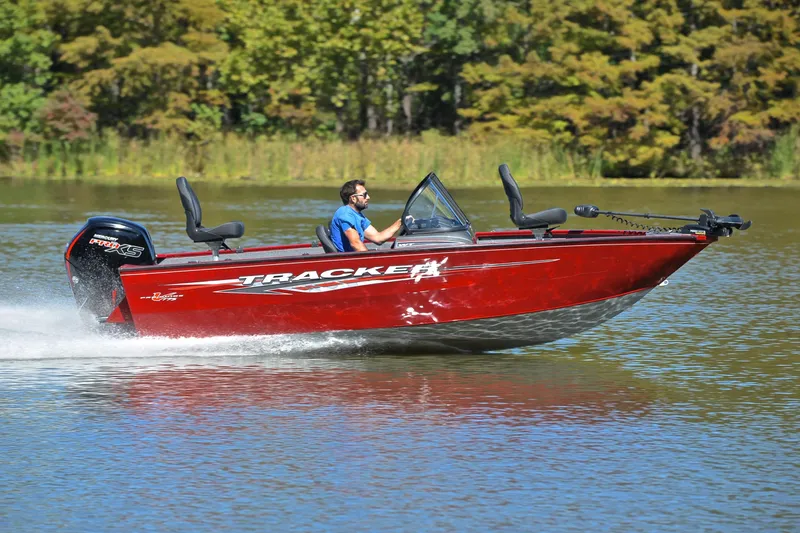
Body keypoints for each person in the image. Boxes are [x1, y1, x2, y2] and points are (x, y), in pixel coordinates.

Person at [329, 179, 402, 252]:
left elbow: (378, 238)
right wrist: (372, 261)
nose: (368, 197)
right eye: (364, 195)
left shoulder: (358, 216)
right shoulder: (345, 214)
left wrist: (401, 222)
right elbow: (356, 244)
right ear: (353, 198)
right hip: (346, 260)